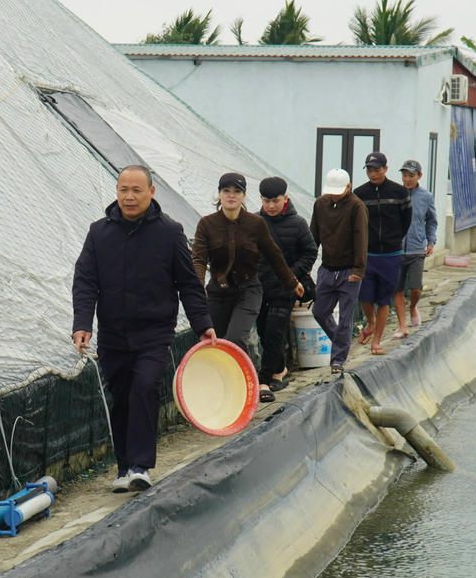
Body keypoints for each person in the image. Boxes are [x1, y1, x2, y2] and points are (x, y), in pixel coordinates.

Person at [72, 165, 216, 493]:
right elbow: (85, 282)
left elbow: (188, 284)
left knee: (145, 387)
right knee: (121, 397)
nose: (129, 196)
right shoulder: (99, 233)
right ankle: (123, 467)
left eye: (137, 190)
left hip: (154, 333)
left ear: (151, 192)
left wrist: (203, 325)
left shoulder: (169, 232)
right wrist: (82, 324)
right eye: (124, 189)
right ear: (117, 191)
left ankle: (140, 465)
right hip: (113, 333)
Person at [191, 172, 303, 382]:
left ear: (244, 196)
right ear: (219, 194)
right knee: (218, 342)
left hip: (248, 290)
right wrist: (197, 289)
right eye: (226, 191)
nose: (231, 195)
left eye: (237, 191)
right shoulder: (207, 224)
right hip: (217, 292)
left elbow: (273, 255)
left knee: (235, 338)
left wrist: (291, 282)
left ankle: (252, 383)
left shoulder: (255, 224)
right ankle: (227, 388)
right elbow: (198, 259)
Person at [255, 176, 317, 403]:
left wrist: (290, 275)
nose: (270, 206)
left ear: (285, 198)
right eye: (266, 201)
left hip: (286, 288)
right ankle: (280, 369)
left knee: (274, 329)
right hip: (260, 288)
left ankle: (265, 377)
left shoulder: (298, 224)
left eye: (275, 200)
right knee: (263, 330)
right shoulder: (254, 222)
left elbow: (310, 253)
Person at [353, 151, 411, 356]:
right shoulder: (359, 194)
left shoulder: (399, 193)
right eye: (369, 169)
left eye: (376, 169)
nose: (373, 173)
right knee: (365, 296)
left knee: (384, 299)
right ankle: (371, 322)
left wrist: (393, 240)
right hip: (367, 254)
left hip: (391, 254)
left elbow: (406, 221)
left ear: (386, 169)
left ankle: (376, 341)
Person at [310, 169, 367, 374]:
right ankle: (341, 341)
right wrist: (308, 266)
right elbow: (313, 236)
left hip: (349, 270)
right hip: (327, 269)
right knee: (319, 311)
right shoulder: (320, 204)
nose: (334, 195)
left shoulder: (356, 207)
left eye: (338, 191)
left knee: (345, 316)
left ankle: (338, 360)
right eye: (331, 191)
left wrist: (358, 269)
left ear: (349, 187)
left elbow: (361, 238)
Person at [391, 159, 438, 338]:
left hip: (417, 248)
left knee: (415, 288)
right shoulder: (396, 193)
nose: (407, 179)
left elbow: (432, 221)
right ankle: (402, 326)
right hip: (396, 249)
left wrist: (431, 242)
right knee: (397, 289)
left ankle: (413, 306)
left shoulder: (426, 196)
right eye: (404, 175)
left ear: (419, 176)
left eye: (411, 175)